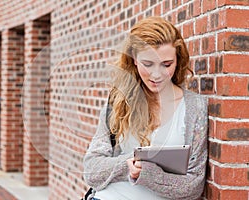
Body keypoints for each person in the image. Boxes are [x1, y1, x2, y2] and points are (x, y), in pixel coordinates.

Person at [83, 16, 208, 200]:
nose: (156, 75)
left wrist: (147, 174)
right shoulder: (118, 102)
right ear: (134, 59)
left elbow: (194, 186)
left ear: (178, 60)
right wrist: (128, 165)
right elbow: (91, 170)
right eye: (147, 64)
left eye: (166, 64)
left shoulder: (194, 108)